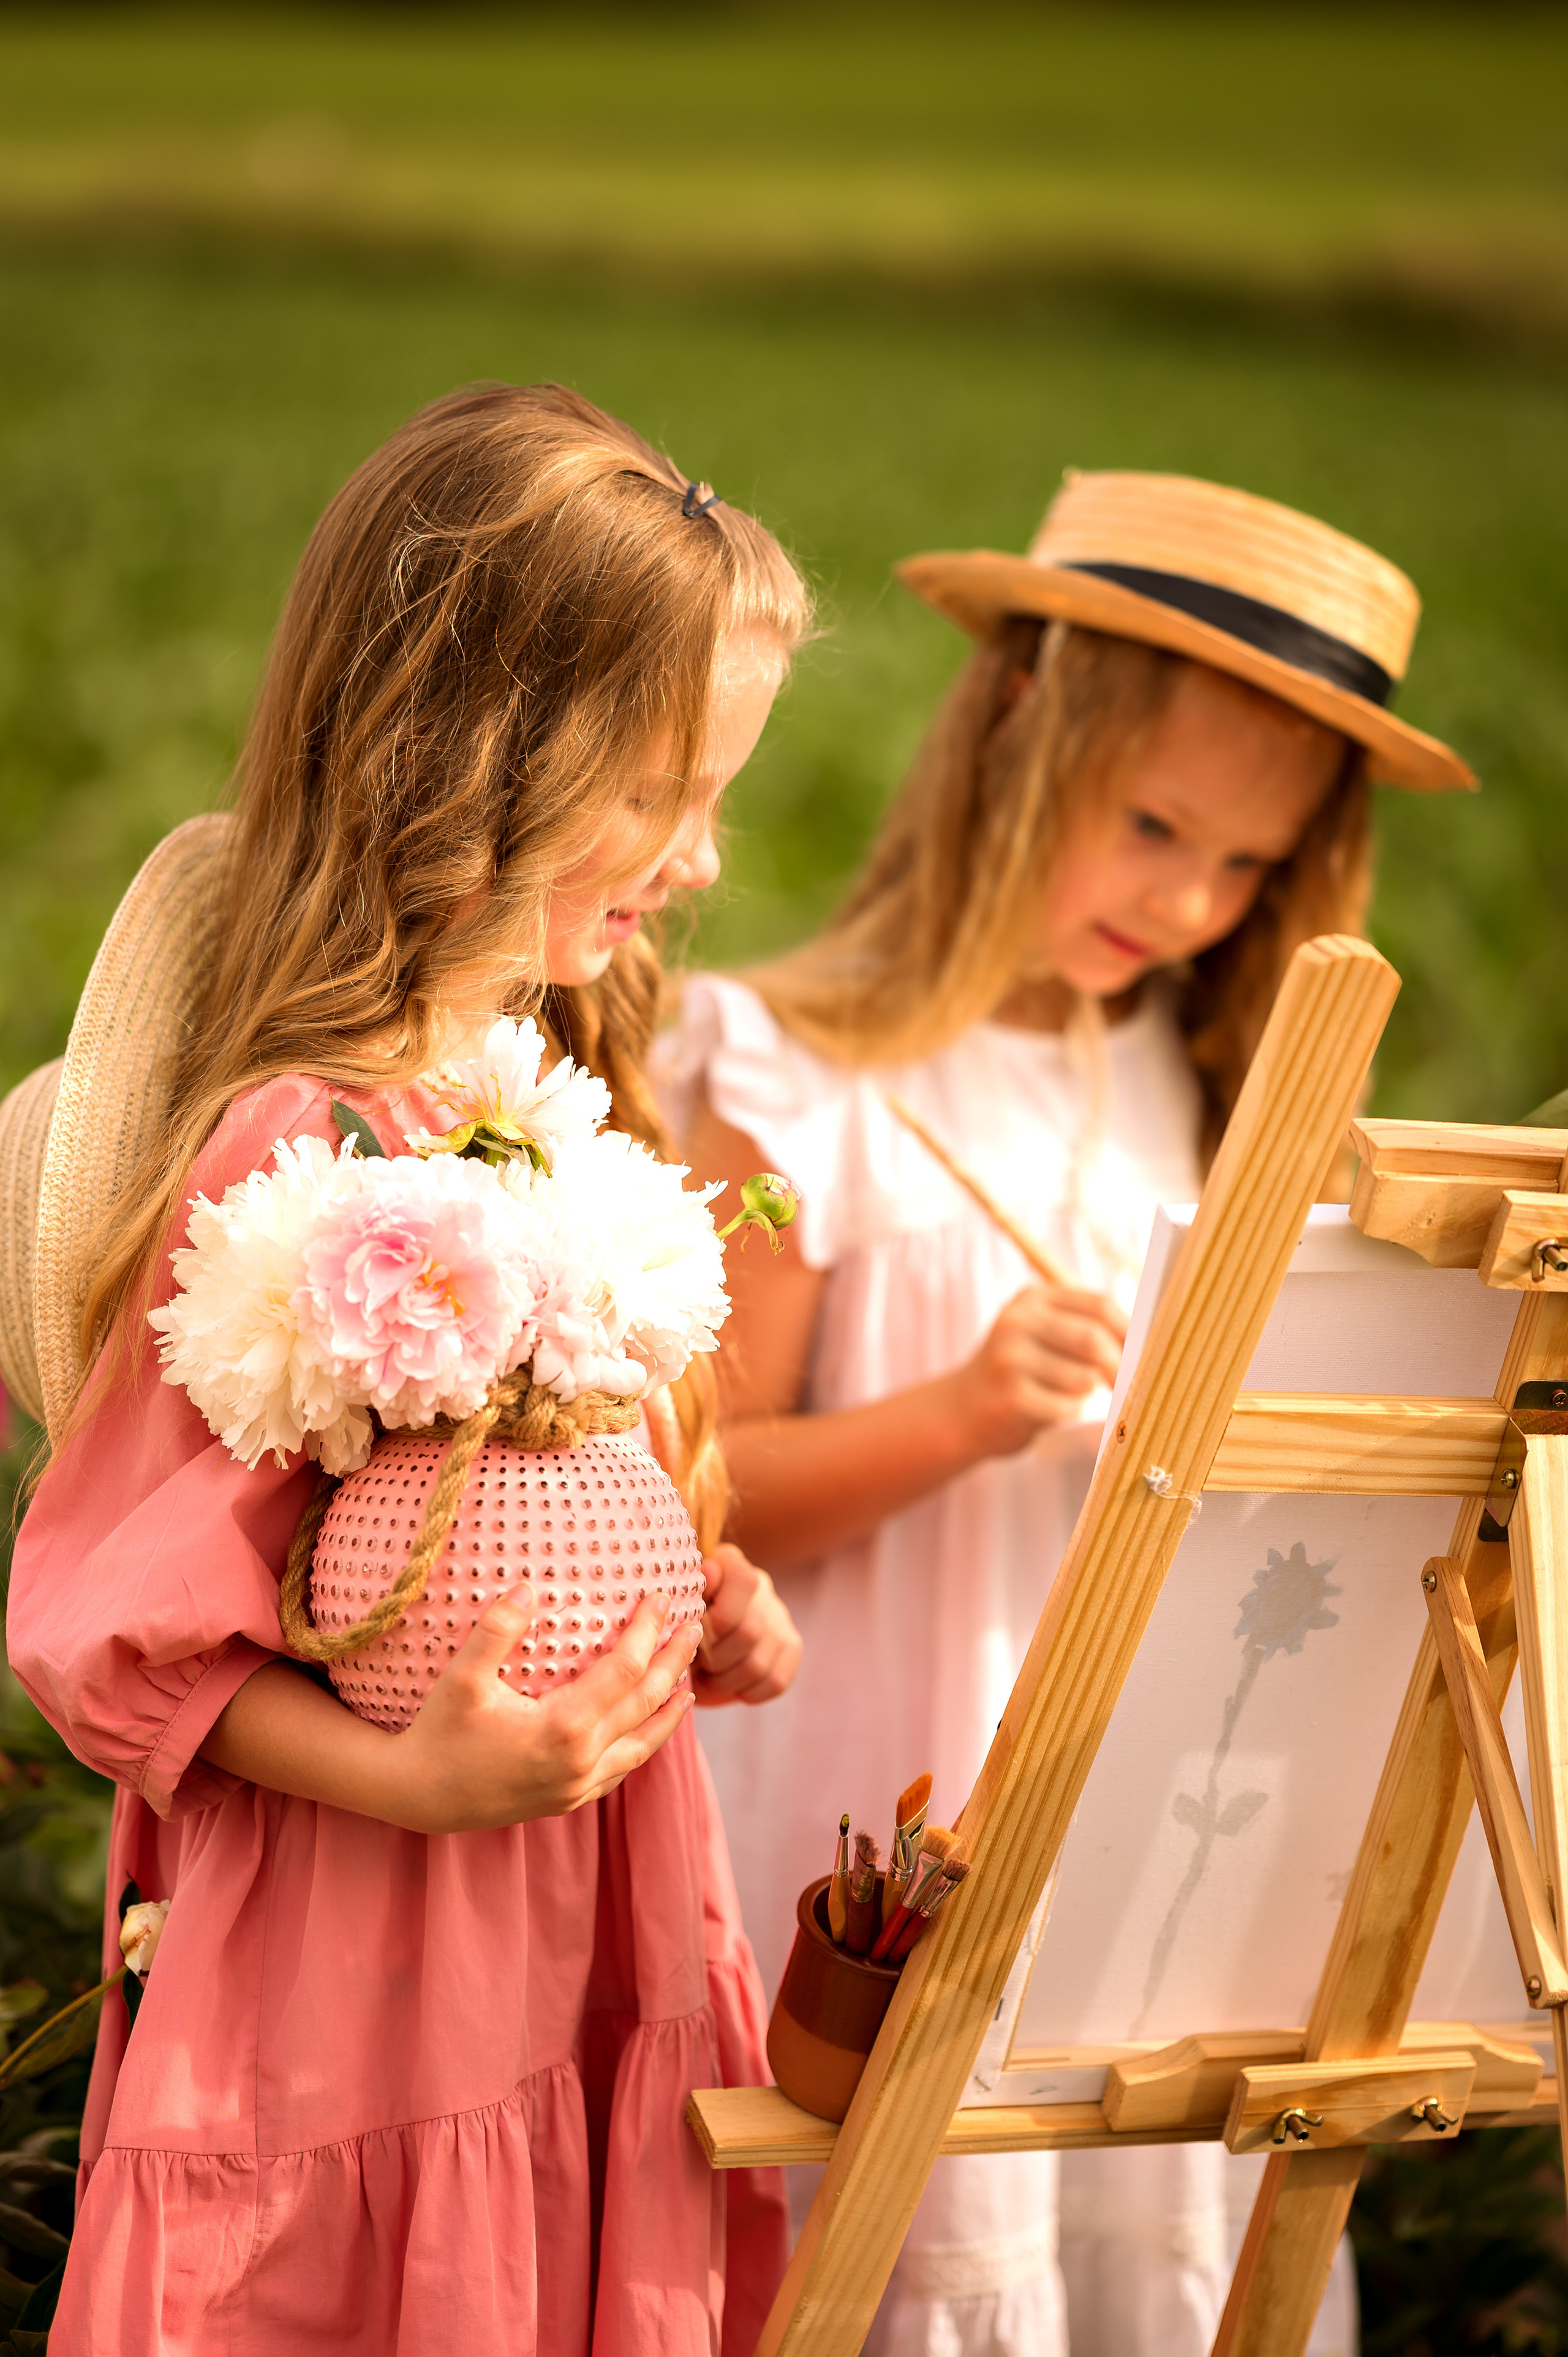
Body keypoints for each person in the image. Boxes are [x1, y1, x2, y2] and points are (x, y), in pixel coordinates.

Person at [4, 383, 812, 2357]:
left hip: (576, 1928)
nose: (699, 858)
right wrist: (406, 1773)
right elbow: (118, 1629)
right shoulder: (307, 1153)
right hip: (362, 1980)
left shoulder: (558, 1124)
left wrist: (683, 1596)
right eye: (664, 792)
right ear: (475, 756)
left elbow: (522, 1515)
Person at [667, 470, 1474, 2357]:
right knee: (910, 2232)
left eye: (1247, 866)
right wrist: (952, 1414)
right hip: (886, 1802)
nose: (1190, 900)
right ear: (1014, 740)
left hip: (1144, 1823)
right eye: (1151, 825)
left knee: (1134, 2232)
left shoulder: (1198, 1093)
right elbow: (693, 1507)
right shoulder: (796, 1075)